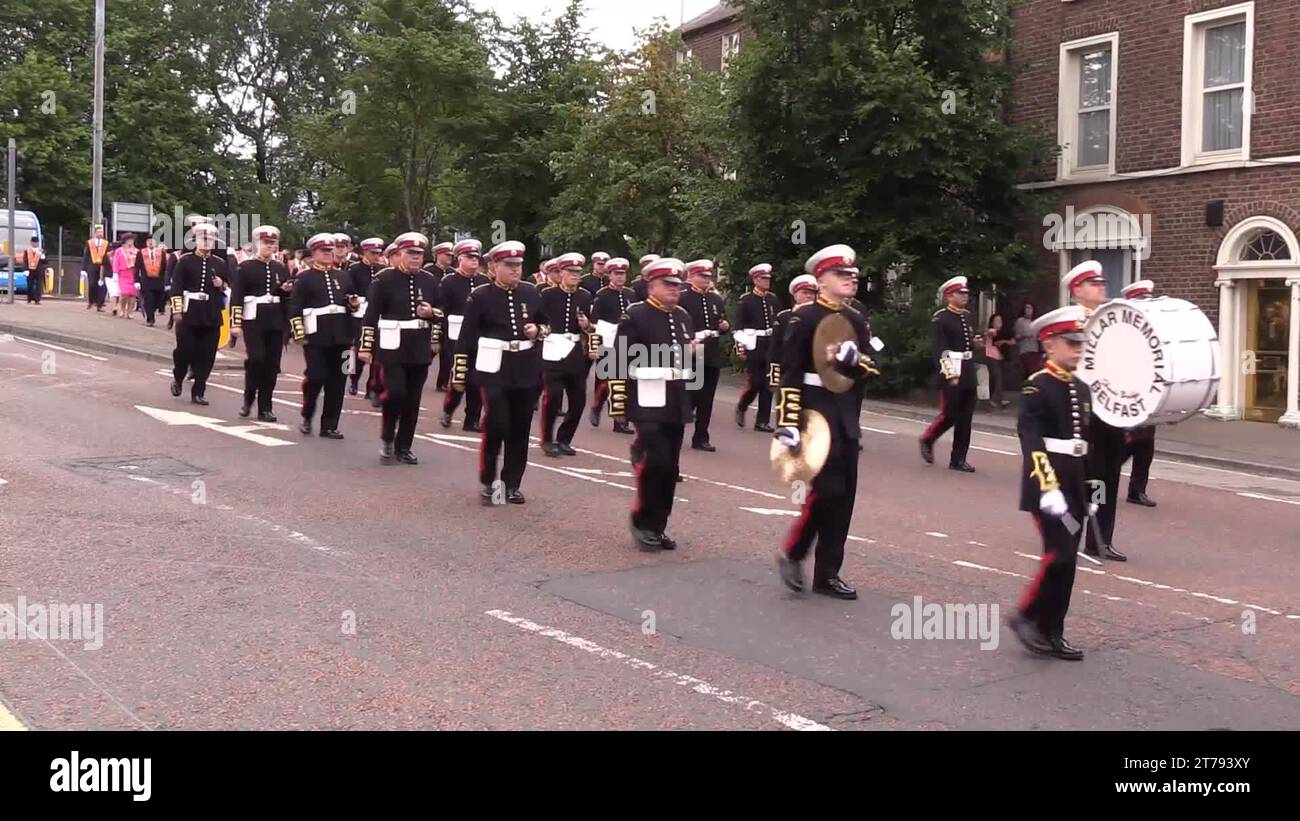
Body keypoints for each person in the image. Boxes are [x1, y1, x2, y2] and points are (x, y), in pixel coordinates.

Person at [773, 244, 880, 600]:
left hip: (847, 413)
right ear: (821, 279)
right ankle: (793, 551)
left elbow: (871, 366)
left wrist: (855, 362)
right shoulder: (803, 318)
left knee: (845, 497)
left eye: (852, 274)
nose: (851, 279)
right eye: (842, 274)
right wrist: (788, 422)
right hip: (813, 414)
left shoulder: (856, 318)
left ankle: (828, 572)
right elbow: (790, 373)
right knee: (826, 492)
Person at [1008, 305, 1092, 661]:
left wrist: (1093, 490)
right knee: (1058, 555)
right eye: (1070, 343)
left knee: (1069, 562)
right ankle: (1025, 615)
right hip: (1048, 484)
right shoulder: (1036, 388)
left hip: (1074, 482)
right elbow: (1031, 441)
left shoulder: (1082, 388)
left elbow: (1088, 446)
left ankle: (1052, 630)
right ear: (1049, 345)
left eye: (1079, 343)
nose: (1078, 349)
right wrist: (1049, 487)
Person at [608, 257, 695, 550]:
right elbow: (619, 360)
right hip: (646, 397)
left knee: (670, 467)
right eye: (667, 285)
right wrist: (619, 402)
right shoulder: (636, 315)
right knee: (655, 461)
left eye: (677, 285)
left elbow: (685, 360)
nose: (674, 290)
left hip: (675, 398)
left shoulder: (682, 316)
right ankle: (642, 520)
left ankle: (658, 525)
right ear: (651, 286)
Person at [453, 240, 545, 505]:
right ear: (493, 266)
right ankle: (489, 480)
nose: (516, 270)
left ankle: (511, 484)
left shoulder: (531, 292)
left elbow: (547, 326)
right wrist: (460, 374)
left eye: (518, 265)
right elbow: (466, 338)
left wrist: (537, 331)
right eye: (509, 265)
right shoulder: (480, 295)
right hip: (493, 369)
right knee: (498, 423)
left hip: (525, 367)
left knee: (520, 428)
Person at [359, 232, 442, 465]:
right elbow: (371, 315)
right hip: (392, 347)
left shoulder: (429, 280)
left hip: (419, 346)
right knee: (396, 393)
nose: (416, 258)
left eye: (419, 254)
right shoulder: (384, 280)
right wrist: (366, 347)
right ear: (400, 254)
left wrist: (431, 314)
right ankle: (387, 435)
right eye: (411, 253)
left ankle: (404, 445)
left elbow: (440, 311)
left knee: (413, 399)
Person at [1063, 261, 1126, 561]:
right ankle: (1067, 530)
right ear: (1077, 290)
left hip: (1110, 412)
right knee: (1078, 477)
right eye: (1093, 283)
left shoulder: (1112, 322)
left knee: (1106, 477)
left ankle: (1099, 538)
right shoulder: (1069, 324)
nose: (1102, 287)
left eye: (1102, 282)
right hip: (1082, 412)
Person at [290, 233, 357, 439]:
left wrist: (353, 304)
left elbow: (352, 303)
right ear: (314, 253)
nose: (328, 254)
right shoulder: (304, 278)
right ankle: (307, 415)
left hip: (342, 335)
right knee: (316, 377)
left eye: (330, 250)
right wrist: (299, 334)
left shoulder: (343, 276)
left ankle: (330, 425)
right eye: (324, 251)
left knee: (338, 381)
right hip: (316, 336)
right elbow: (295, 308)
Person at [230, 225, 291, 422]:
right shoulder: (245, 267)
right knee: (256, 359)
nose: (269, 247)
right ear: (257, 244)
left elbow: (285, 297)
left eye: (273, 243)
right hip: (253, 319)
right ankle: (249, 397)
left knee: (272, 365)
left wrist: (284, 293)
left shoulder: (280, 268)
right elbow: (237, 296)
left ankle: (265, 407)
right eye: (266, 243)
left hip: (275, 320)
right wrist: (235, 323)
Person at [919, 276, 978, 472]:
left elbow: (967, 342)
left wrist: (976, 344)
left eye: (965, 293)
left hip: (968, 369)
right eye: (960, 294)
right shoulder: (941, 318)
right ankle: (928, 438)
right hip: (951, 368)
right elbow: (940, 349)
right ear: (949, 296)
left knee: (966, 418)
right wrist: (950, 374)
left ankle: (958, 459)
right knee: (951, 413)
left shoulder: (967, 316)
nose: (964, 297)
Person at [538, 252, 595, 456]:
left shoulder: (585, 296)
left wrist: (587, 326)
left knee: (578, 400)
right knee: (552, 397)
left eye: (577, 272)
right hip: (553, 348)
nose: (574, 275)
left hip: (574, 351)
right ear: (560, 272)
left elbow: (591, 327)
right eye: (570, 272)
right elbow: (539, 322)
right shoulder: (547, 295)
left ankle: (564, 439)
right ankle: (546, 439)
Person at [168, 222, 227, 404]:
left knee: (207, 354)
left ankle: (199, 391)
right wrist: (177, 310)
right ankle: (178, 377)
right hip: (189, 311)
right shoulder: (185, 261)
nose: (207, 242)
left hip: (211, 313)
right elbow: (176, 287)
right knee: (184, 351)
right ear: (195, 240)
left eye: (210, 239)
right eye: (203, 238)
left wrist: (221, 284)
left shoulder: (220, 263)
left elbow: (230, 287)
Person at [679, 259, 729, 452]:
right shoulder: (683, 297)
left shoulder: (715, 299)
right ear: (691, 276)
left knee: (707, 399)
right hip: (693, 352)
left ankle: (701, 437)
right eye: (702, 276)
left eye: (708, 276)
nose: (706, 280)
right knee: (691, 395)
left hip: (711, 352)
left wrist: (725, 327)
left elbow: (721, 321)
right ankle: (677, 432)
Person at [440, 238, 489, 432]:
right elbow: (442, 309)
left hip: (479, 336)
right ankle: (449, 409)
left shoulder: (483, 281)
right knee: (459, 377)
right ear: (459, 259)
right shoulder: (449, 281)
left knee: (477, 380)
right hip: (456, 335)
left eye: (476, 257)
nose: (474, 261)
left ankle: (472, 419)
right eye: (469, 257)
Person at [1120, 279, 1158, 508]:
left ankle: (1137, 490)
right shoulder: (1121, 331)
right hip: (1125, 399)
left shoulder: (1151, 332)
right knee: (1121, 449)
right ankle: (1096, 484)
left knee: (1146, 447)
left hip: (1146, 398)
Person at [589, 257, 636, 434]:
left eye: (622, 274)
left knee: (621, 382)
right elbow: (594, 324)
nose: (620, 277)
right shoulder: (602, 295)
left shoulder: (630, 294)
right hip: (606, 341)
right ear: (609, 275)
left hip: (624, 342)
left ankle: (619, 421)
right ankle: (597, 405)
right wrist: (594, 347)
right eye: (616, 274)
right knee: (604, 381)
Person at [734, 263, 781, 432]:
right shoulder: (746, 300)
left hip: (770, 343)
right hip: (754, 344)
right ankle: (742, 405)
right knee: (756, 382)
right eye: (763, 278)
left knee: (769, 383)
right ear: (755, 280)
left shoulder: (773, 299)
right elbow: (738, 326)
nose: (767, 282)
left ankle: (762, 421)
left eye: (768, 278)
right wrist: (741, 347)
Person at [346, 238, 387, 401]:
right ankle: (354, 379)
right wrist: (353, 299)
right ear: (364, 252)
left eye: (378, 253)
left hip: (376, 313)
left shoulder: (382, 270)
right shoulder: (354, 269)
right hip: (359, 312)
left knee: (376, 352)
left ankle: (372, 386)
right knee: (357, 349)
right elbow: (348, 289)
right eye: (373, 253)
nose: (376, 256)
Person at [427, 241, 457, 391]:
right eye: (447, 255)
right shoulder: (429, 271)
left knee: (447, 352)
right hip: (432, 314)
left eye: (451, 255)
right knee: (429, 350)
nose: (450, 258)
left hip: (447, 316)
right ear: (438, 255)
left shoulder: (452, 272)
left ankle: (443, 382)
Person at [983, 313, 1014, 410]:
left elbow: (1013, 341)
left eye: (1000, 321)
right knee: (998, 377)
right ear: (992, 323)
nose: (999, 323)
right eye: (997, 321)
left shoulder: (1003, 334)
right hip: (991, 356)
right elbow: (990, 334)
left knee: (994, 379)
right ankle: (1000, 400)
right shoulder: (991, 331)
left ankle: (990, 399)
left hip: (1000, 357)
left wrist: (1004, 341)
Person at [136, 237, 168, 325]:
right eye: (148, 241)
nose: (150, 243)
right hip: (146, 281)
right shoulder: (141, 253)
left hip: (159, 280)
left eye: (152, 241)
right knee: (149, 300)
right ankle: (150, 319)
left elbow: (165, 268)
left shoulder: (161, 253)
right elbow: (137, 267)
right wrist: (136, 281)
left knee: (159, 300)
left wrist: (167, 281)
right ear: (146, 243)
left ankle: (151, 311)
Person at [81, 225, 110, 311]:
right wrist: (83, 268)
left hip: (102, 266)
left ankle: (100, 304)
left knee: (102, 285)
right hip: (91, 266)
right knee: (92, 284)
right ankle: (91, 301)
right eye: (99, 232)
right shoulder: (90, 242)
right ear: (95, 233)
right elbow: (86, 256)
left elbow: (108, 255)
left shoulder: (106, 243)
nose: (100, 234)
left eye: (101, 232)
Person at [113, 233, 140, 320]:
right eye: (129, 240)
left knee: (132, 294)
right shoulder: (119, 251)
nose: (130, 242)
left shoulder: (137, 251)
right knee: (124, 293)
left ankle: (130, 311)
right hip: (123, 273)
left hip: (133, 274)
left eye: (132, 240)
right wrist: (115, 273)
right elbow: (115, 262)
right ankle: (122, 309)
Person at [1013, 302, 1040, 381]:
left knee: (1033, 370)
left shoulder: (1036, 321)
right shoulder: (1020, 321)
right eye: (1027, 308)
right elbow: (1016, 336)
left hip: (1034, 348)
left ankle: (1029, 386)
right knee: (1029, 368)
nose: (1028, 310)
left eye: (1030, 308)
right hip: (1024, 349)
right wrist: (1025, 336)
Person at [21, 237, 46, 304]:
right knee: (30, 285)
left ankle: (37, 299)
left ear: (38, 243)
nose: (35, 244)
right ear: (31, 243)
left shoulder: (41, 251)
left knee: (38, 286)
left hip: (39, 271)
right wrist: (25, 269)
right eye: (34, 242)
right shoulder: (27, 251)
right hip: (30, 270)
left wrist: (43, 257)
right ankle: (29, 298)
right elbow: (25, 260)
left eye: (36, 242)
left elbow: (45, 262)